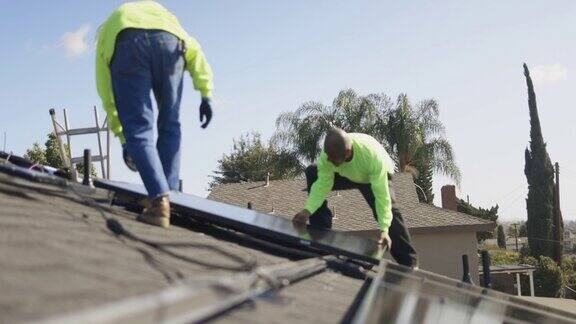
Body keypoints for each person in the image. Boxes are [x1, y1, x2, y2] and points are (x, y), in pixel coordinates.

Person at [96, 1, 214, 228]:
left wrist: (125, 140)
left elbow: (108, 97)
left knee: (139, 128)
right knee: (171, 122)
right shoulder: (162, 15)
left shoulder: (108, 35)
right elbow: (195, 51)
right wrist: (206, 93)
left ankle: (159, 201)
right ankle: (168, 197)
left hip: (129, 42)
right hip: (170, 41)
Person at [293, 128, 417, 267]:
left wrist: (384, 230)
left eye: (333, 159)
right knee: (312, 172)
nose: (329, 161)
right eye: (329, 157)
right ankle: (320, 234)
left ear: (347, 153)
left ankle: (410, 263)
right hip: (347, 174)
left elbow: (382, 197)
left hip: (371, 177)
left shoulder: (371, 157)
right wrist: (307, 211)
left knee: (389, 211)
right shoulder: (328, 156)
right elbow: (322, 185)